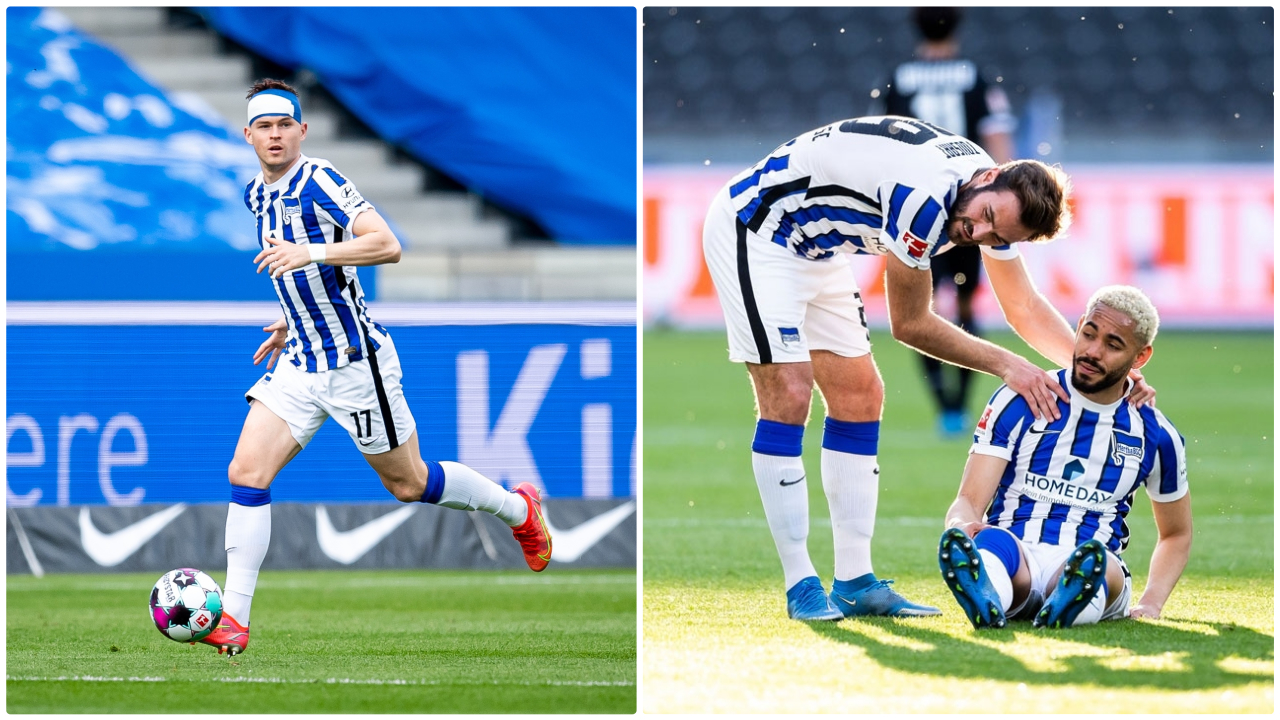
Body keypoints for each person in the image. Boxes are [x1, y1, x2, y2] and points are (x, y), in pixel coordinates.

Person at [701, 114, 1155, 621]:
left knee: (860, 397)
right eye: (982, 217)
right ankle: (800, 583)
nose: (976, 232)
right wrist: (1009, 365)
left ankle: (854, 581)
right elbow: (911, 325)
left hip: (818, 245)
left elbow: (1023, 307)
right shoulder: (924, 200)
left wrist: (1096, 366)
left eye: (992, 233)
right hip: (758, 230)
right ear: (987, 177)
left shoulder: (996, 200)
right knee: (789, 393)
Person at [197, 79, 552, 656]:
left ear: (302, 130)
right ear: (248, 135)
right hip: (301, 360)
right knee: (246, 472)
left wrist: (312, 253)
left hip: (355, 364)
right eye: (264, 126)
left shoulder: (321, 180)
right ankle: (233, 619)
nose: (276, 135)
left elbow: (387, 245)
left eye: (285, 124)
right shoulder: (255, 196)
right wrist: (292, 318)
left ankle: (518, 508)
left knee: (408, 483)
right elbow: (303, 272)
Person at [938, 285, 1190, 629]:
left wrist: (1151, 602)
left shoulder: (1157, 434)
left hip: (1088, 556)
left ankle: (1070, 597)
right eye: (1089, 334)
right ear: (1080, 325)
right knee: (993, 545)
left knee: (1100, 565)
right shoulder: (1021, 398)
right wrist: (961, 527)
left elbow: (1176, 532)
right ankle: (988, 592)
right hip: (1018, 555)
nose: (1093, 352)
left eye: (1113, 345)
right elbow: (968, 500)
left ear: (1140, 358)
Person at [880, 7, 1019, 438]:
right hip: (972, 212)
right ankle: (960, 403)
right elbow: (999, 144)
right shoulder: (976, 77)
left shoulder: (899, 77)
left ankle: (944, 405)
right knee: (961, 306)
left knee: (921, 310)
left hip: (916, 209)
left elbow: (882, 143)